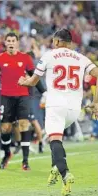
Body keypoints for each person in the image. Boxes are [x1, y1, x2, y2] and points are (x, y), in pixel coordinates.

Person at [18, 28, 98, 196]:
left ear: (57, 42)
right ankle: (55, 166)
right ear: (70, 43)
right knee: (58, 142)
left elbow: (33, 81)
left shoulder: (48, 55)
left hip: (55, 106)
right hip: (74, 109)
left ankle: (65, 173)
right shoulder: (81, 57)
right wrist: (95, 102)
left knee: (55, 141)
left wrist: (23, 82)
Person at [0, 32, 46, 170]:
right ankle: (7, 154)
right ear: (5, 43)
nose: (11, 43)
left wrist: (45, 92)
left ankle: (25, 161)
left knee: (24, 125)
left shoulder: (25, 58)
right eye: (9, 41)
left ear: (17, 42)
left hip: (22, 96)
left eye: (13, 40)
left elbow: (34, 76)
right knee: (6, 128)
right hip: (6, 97)